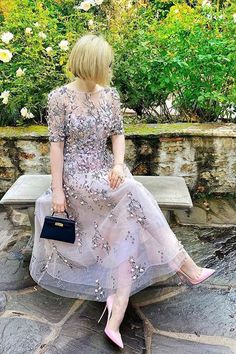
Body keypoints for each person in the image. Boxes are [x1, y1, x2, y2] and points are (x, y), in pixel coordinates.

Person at [29, 33, 215, 349]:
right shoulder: (59, 98)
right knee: (133, 193)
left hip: (108, 172)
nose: (110, 68)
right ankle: (186, 266)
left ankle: (116, 311)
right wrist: (57, 191)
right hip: (78, 177)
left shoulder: (111, 96)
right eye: (106, 63)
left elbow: (118, 135)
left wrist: (117, 164)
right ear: (92, 64)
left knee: (127, 211)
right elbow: (56, 148)